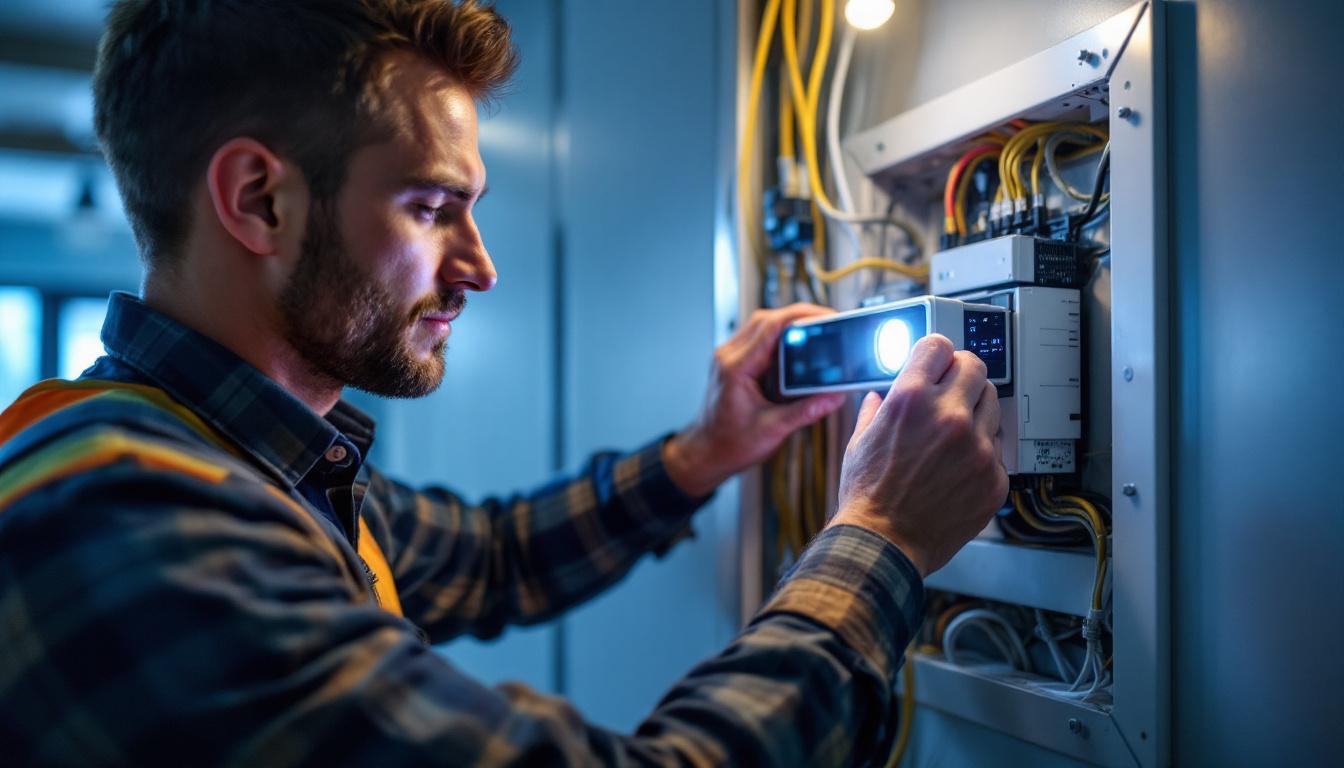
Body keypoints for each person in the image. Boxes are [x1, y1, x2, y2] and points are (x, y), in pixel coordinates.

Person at [0, 1, 1007, 765]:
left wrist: (704, 456)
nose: (480, 267)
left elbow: (492, 559)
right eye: (431, 207)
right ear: (260, 199)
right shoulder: (131, 526)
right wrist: (880, 539)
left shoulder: (247, 461)